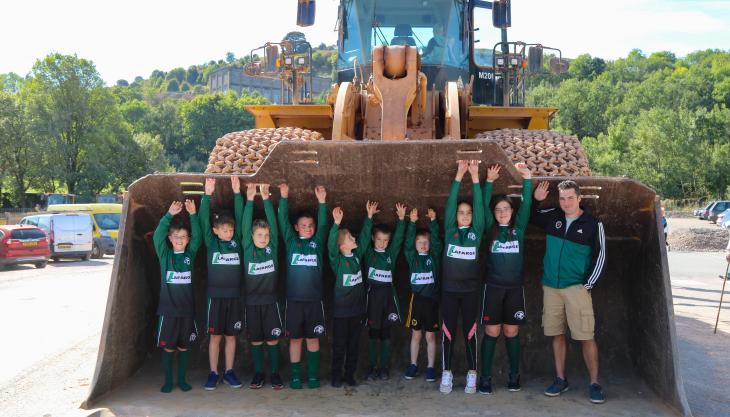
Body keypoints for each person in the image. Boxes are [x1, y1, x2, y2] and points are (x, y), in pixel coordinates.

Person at [532, 180, 607, 404]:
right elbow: (529, 217)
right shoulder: (553, 215)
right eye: (562, 198)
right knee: (556, 333)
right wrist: (535, 199)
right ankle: (560, 379)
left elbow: (601, 255)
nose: (566, 202)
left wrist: (588, 283)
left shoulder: (593, 224)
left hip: (577, 287)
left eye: (570, 198)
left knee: (586, 336)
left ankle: (594, 383)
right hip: (551, 287)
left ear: (579, 198)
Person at [478, 163, 532, 395]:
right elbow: (481, 206)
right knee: (492, 332)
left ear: (512, 211)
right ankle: (486, 378)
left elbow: (527, 204)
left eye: (506, 209)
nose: (502, 212)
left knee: (511, 332)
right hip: (493, 288)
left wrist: (527, 179)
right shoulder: (490, 228)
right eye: (498, 209)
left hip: (514, 289)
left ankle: (514, 375)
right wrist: (489, 181)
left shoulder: (518, 229)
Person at [277, 183, 329, 389]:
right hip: (294, 302)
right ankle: (296, 377)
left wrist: (322, 202)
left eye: (311, 225)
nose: (308, 228)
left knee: (313, 340)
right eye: (303, 225)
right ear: (296, 227)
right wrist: (283, 198)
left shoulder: (317, 242)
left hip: (314, 301)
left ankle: (313, 376)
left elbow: (324, 225)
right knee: (295, 340)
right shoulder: (291, 242)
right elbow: (282, 221)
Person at [440, 160, 484, 394]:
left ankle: (471, 375)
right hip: (449, 290)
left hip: (470, 292)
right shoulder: (449, 230)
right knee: (448, 332)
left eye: (469, 213)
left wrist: (475, 177)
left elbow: (478, 205)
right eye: (461, 212)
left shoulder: (477, 231)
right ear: (455, 216)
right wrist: (459, 175)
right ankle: (446, 373)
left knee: (470, 332)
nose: (465, 216)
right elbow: (449, 205)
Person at [200, 177, 245, 390]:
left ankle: (229, 371)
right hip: (215, 298)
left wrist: (238, 193)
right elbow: (202, 221)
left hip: (234, 297)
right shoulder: (212, 242)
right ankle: (213, 372)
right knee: (215, 337)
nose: (228, 233)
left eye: (230, 230)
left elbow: (240, 217)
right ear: (216, 230)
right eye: (224, 230)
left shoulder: (237, 242)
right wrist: (207, 195)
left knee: (231, 336)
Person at [153, 199, 201, 393]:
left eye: (183, 236)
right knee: (169, 348)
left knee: (183, 347)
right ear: (170, 239)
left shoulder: (191, 253)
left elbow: (198, 236)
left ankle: (181, 380)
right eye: (176, 237)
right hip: (168, 311)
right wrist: (169, 215)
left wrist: (193, 215)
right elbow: (157, 236)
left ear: (188, 239)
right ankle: (168, 381)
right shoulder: (165, 255)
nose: (180, 240)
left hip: (186, 311)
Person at [328, 202, 377, 387]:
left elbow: (365, 238)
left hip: (357, 312)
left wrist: (369, 217)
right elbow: (331, 245)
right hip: (341, 313)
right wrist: (336, 224)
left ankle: (349, 375)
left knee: (354, 346)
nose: (353, 238)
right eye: (349, 237)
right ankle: (335, 376)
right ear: (341, 246)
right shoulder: (337, 261)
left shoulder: (357, 256)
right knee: (339, 346)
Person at [241, 183, 284, 390]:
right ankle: (259, 374)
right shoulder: (248, 248)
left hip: (270, 302)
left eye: (266, 235)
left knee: (273, 340)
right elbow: (245, 224)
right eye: (259, 235)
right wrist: (250, 200)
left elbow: (274, 226)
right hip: (252, 302)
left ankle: (275, 374)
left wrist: (266, 199)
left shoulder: (272, 247)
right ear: (251, 236)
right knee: (256, 341)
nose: (264, 238)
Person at [364, 202, 407, 381]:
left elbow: (398, 240)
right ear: (373, 238)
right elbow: (363, 237)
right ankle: (373, 366)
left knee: (386, 334)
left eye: (385, 240)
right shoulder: (368, 253)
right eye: (379, 239)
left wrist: (402, 220)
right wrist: (369, 217)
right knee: (373, 333)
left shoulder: (391, 253)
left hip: (388, 297)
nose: (382, 243)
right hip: (373, 296)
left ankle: (384, 367)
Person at [403, 207, 442, 383]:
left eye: (426, 242)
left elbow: (437, 245)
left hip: (432, 301)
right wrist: (412, 222)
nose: (423, 245)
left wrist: (433, 222)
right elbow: (408, 243)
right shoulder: (412, 256)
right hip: (416, 301)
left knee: (430, 336)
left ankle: (431, 367)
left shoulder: (433, 256)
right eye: (420, 242)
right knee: (416, 335)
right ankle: (413, 364)